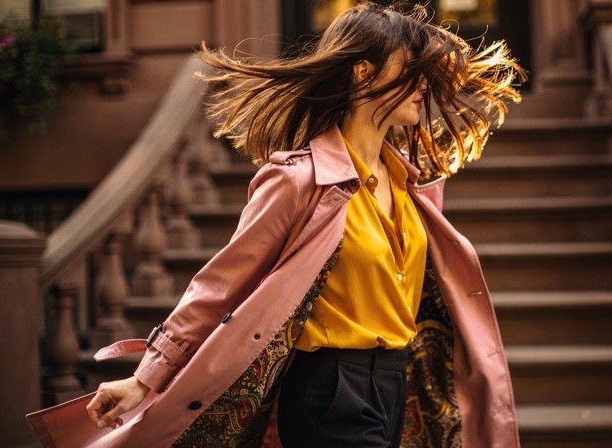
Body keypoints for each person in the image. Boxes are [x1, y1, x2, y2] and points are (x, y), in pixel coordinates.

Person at [84, 2, 524, 447]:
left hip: (395, 383)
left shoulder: (407, 183)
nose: (424, 85)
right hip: (330, 389)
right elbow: (219, 286)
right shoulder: (298, 181)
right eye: (411, 69)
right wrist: (146, 377)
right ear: (363, 73)